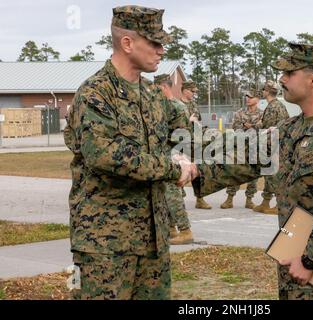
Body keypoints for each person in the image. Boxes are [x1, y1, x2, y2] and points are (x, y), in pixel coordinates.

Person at [189, 43, 313, 300]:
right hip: (291, 255)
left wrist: (311, 261)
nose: (281, 79)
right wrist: (196, 172)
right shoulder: (289, 129)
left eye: (289, 73)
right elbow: (249, 160)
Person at [64, 5, 195, 300]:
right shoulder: (95, 93)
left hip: (153, 239)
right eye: (154, 43)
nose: (162, 50)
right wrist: (174, 169)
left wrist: (185, 156)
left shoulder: (151, 95)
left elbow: (177, 137)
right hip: (105, 244)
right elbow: (107, 154)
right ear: (127, 43)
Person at [153, 73, 194, 245]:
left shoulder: (172, 106)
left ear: (163, 87)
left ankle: (185, 231)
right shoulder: (173, 105)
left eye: (156, 89)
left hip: (173, 153)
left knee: (172, 193)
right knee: (165, 193)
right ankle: (171, 229)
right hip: (171, 153)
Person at [220, 89, 263, 210]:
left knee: (253, 175)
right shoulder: (239, 112)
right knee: (235, 172)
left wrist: (252, 126)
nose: (247, 99)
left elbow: (264, 127)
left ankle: (249, 200)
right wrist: (246, 126)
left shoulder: (262, 113)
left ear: (257, 99)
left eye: (250, 97)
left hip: (255, 148)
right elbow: (235, 126)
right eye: (246, 97)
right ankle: (229, 199)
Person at [253, 80, 290, 215]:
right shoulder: (279, 106)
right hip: (278, 144)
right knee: (269, 174)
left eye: (263, 90)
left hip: (273, 145)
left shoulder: (272, 107)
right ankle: (266, 202)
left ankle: (280, 204)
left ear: (267, 92)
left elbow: (267, 128)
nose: (262, 92)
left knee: (274, 175)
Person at [180, 80, 212, 210]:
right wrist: (188, 121)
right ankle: (178, 201)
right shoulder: (176, 105)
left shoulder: (194, 105)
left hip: (195, 143)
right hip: (181, 143)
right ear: (185, 90)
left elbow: (198, 122)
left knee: (198, 171)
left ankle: (200, 198)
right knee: (180, 170)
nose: (194, 94)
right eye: (192, 91)